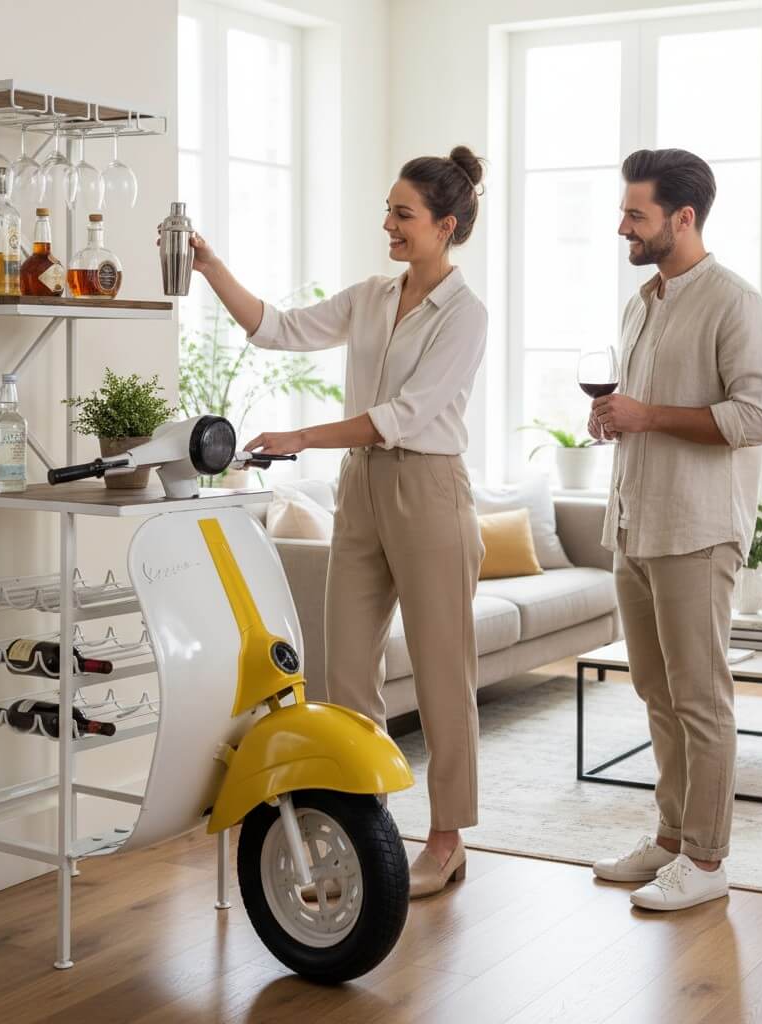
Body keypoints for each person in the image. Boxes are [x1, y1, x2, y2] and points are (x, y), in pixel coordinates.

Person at [186, 147, 488, 899]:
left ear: (445, 225)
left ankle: (446, 839)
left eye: (402, 214)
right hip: (363, 491)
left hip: (430, 492)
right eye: (387, 210)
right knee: (347, 668)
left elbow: (403, 416)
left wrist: (299, 438)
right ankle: (366, 833)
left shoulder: (466, 314)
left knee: (445, 672)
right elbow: (277, 327)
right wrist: (210, 266)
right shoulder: (371, 296)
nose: (387, 224)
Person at [589, 148, 762, 911]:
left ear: (683, 217)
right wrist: (616, 414)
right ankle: (670, 837)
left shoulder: (735, 304)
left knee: (701, 699)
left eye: (635, 213)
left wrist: (650, 415)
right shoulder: (641, 303)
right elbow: (641, 408)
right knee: (655, 692)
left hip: (696, 533)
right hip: (635, 525)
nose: (621, 226)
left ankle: (706, 863)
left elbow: (759, 417)